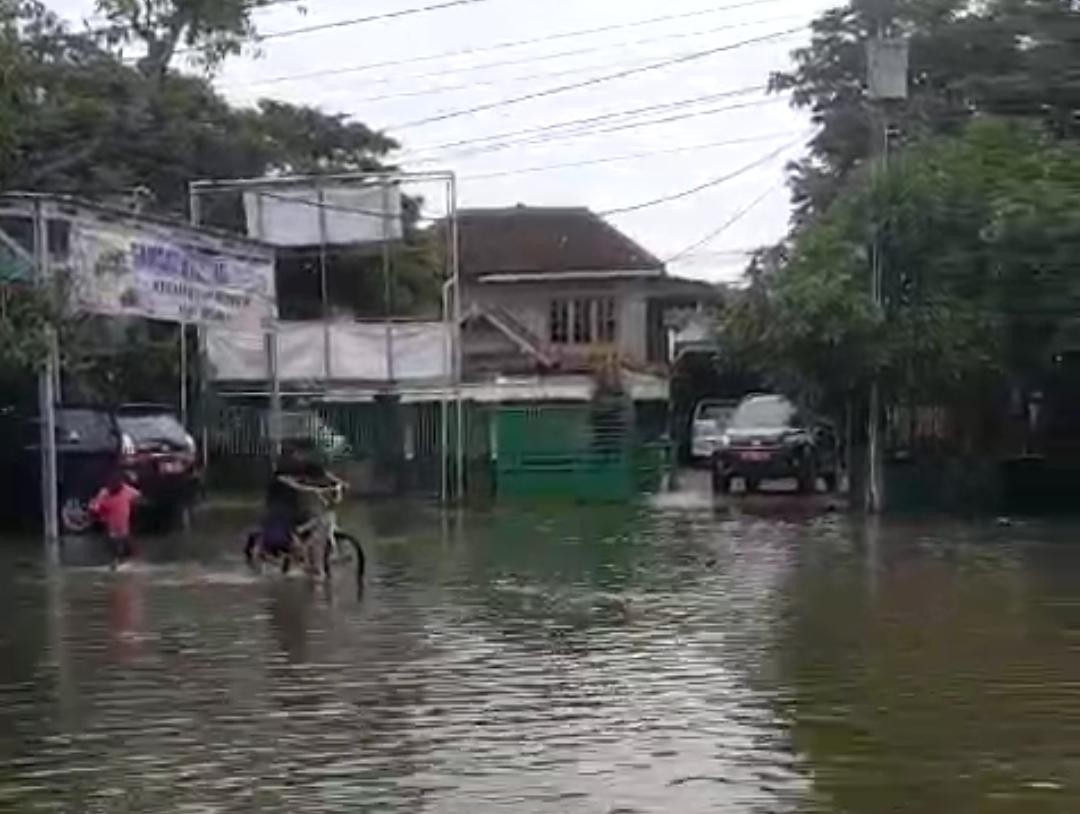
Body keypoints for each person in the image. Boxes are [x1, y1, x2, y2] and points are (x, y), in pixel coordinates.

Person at [254, 443, 343, 564]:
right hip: (281, 508)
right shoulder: (281, 474)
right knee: (297, 530)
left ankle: (312, 552)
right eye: (294, 455)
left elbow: (322, 474)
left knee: (315, 518)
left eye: (298, 455)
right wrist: (318, 489)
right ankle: (302, 555)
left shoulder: (304, 466)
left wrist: (338, 483)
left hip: (298, 506)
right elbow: (297, 486)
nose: (298, 457)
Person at [90, 472, 142, 568]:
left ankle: (131, 563)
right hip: (110, 527)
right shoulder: (104, 494)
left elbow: (139, 497)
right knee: (115, 545)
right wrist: (97, 513)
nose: (113, 487)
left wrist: (135, 507)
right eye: (111, 485)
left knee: (128, 546)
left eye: (116, 484)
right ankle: (116, 561)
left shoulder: (127, 490)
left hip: (126, 526)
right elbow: (94, 508)